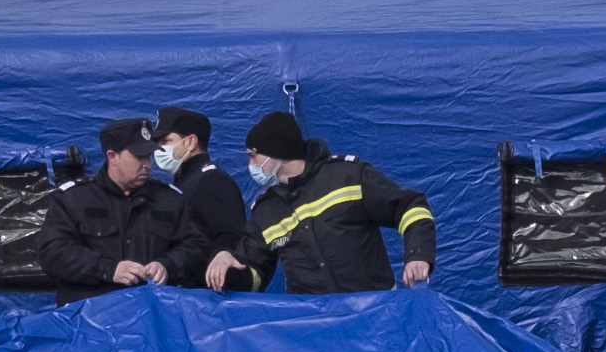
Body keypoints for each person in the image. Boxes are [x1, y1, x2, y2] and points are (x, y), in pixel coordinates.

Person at [235, 112, 437, 292]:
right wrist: (230, 269)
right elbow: (254, 272)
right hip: (316, 324)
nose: (250, 165)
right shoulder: (265, 210)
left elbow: (410, 207)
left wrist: (417, 256)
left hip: (376, 318)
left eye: (253, 156)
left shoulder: (347, 177)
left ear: (276, 152)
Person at [51, 119, 181, 293]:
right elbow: (54, 253)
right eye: (139, 156)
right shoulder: (72, 199)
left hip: (150, 313)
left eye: (149, 156)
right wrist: (108, 269)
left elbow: (196, 245)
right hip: (91, 314)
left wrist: (168, 264)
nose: (148, 164)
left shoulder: (169, 199)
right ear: (113, 156)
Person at [152, 109, 256, 288]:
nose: (159, 149)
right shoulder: (185, 182)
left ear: (191, 142)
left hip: (211, 296)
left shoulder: (211, 180)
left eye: (166, 141)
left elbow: (231, 239)